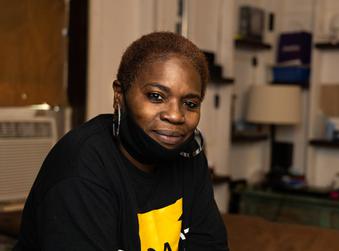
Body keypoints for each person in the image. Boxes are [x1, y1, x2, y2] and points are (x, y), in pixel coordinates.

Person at [14, 32, 229, 251]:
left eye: (190, 103)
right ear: (119, 95)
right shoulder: (81, 168)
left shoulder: (189, 154)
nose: (175, 115)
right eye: (156, 96)